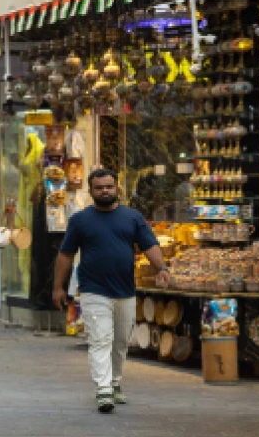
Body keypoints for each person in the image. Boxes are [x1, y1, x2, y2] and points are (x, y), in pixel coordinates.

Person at [53, 168, 172, 413]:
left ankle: (115, 382)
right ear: (91, 191)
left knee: (120, 342)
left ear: (117, 188)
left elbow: (149, 245)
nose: (105, 191)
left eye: (109, 186)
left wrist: (161, 267)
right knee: (100, 339)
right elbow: (65, 255)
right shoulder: (80, 220)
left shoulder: (132, 218)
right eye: (99, 188)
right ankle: (103, 389)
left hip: (125, 290)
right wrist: (58, 287)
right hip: (93, 290)